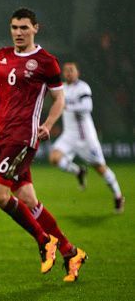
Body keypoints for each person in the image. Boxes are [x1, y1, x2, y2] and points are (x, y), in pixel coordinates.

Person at [0, 8, 87, 282]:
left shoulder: (46, 61)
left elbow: (59, 99)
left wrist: (48, 125)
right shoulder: (2, 56)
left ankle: (43, 239)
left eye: (24, 27)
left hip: (23, 138)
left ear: (36, 28)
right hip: (3, 137)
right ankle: (71, 251)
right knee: (28, 200)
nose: (18, 32)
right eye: (14, 27)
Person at [49, 62, 125, 213]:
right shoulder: (62, 88)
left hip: (86, 137)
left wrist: (67, 106)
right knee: (54, 158)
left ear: (78, 72)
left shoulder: (83, 87)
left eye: (71, 70)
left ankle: (118, 195)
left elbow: (87, 107)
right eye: (66, 71)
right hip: (69, 135)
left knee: (100, 168)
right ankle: (79, 172)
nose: (68, 73)